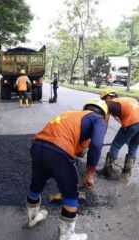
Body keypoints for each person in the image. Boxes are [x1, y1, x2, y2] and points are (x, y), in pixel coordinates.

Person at [25, 99, 108, 240]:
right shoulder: (98, 119)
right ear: (103, 114)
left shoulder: (71, 114)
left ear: (86, 108)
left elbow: (77, 146)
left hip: (38, 145)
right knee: (71, 194)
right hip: (58, 152)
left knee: (36, 183)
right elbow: (97, 145)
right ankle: (67, 235)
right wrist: (89, 174)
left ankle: (32, 218)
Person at [97, 89, 139, 183]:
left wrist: (99, 139)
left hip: (133, 123)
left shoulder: (109, 104)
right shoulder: (126, 99)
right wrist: (128, 137)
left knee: (115, 145)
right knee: (134, 146)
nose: (103, 103)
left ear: (107, 97)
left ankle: (107, 171)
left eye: (103, 101)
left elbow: (105, 124)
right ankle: (125, 175)